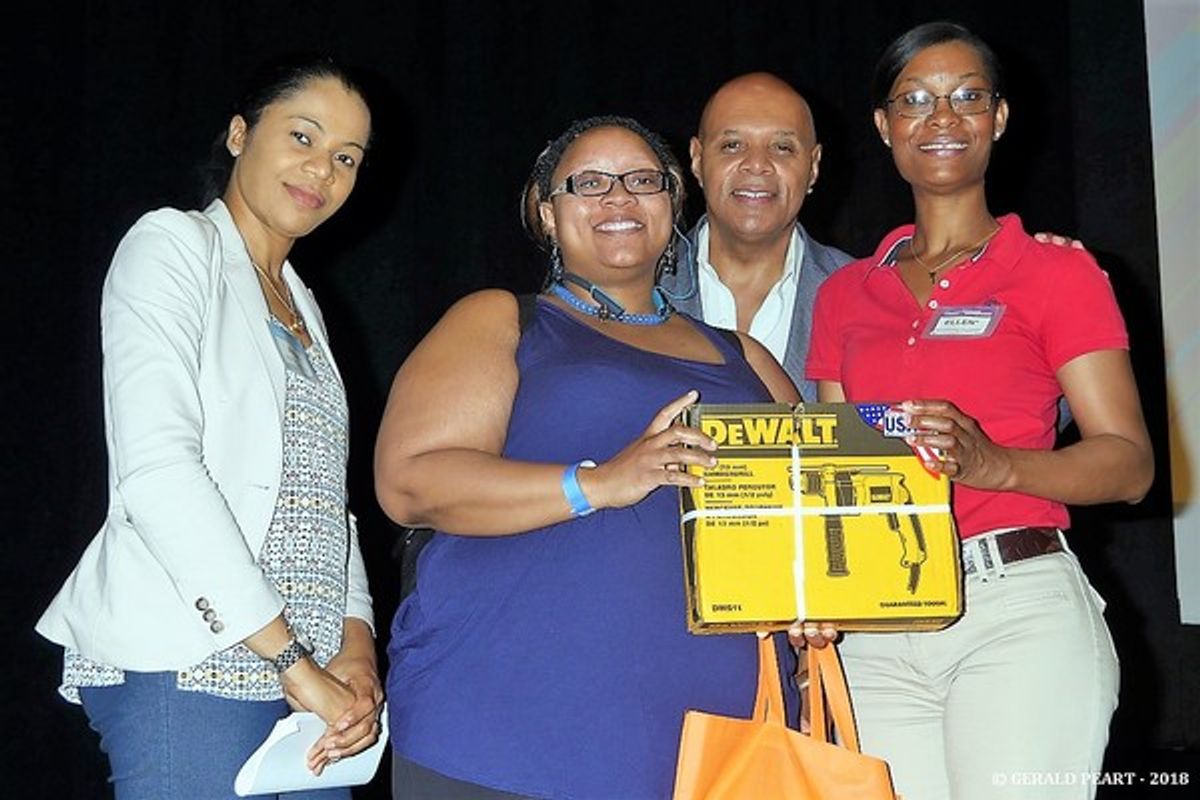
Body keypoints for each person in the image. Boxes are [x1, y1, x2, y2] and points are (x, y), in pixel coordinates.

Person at [375, 115, 800, 799]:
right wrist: (603, 482)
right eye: (590, 184)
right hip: (506, 734)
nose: (619, 199)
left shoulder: (745, 358)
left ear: (673, 204)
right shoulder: (503, 320)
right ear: (547, 213)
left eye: (642, 182)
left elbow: (815, 517)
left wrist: (818, 601)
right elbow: (411, 482)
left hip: (717, 750)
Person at [804, 22, 1154, 799]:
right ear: (884, 127)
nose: (942, 118)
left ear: (998, 118)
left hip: (1015, 611)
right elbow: (840, 476)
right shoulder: (843, 296)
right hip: (878, 628)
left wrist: (996, 463)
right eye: (916, 101)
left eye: (967, 97)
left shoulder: (1057, 273)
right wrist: (816, 605)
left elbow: (1130, 463)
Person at [36, 55, 383, 799]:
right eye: (302, 136)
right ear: (238, 134)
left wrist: (356, 644)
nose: (321, 170)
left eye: (345, 158)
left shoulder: (305, 307)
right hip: (193, 660)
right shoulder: (172, 248)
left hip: (309, 683)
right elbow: (158, 470)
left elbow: (327, 501)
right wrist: (292, 659)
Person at [659, 72, 853, 401]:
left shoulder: (863, 294)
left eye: (782, 147)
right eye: (732, 145)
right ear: (697, 159)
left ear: (814, 166)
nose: (757, 164)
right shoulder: (640, 287)